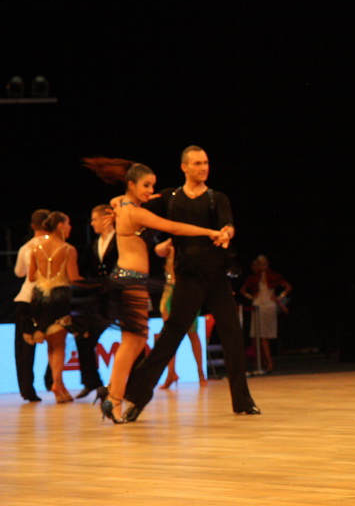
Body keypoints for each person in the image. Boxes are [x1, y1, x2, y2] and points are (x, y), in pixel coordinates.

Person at [120, 146, 259, 420]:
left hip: (216, 273)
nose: (203, 167)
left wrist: (226, 233)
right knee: (172, 332)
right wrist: (118, 204)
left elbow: (228, 225)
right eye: (197, 163)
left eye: (205, 162)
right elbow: (137, 207)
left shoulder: (216, 197)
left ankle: (243, 400)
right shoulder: (170, 197)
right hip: (187, 274)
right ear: (184, 167)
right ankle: (136, 397)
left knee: (232, 333)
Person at [85, 161, 228, 422]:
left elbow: (117, 200)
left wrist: (132, 200)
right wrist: (210, 231)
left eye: (152, 185)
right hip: (130, 281)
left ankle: (112, 392)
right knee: (132, 341)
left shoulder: (121, 205)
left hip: (129, 279)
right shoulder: (134, 213)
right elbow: (174, 227)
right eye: (146, 185)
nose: (150, 191)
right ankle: (113, 399)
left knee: (137, 340)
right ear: (131, 184)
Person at [27, 211, 83, 403]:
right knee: (59, 345)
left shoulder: (36, 248)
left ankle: (60, 385)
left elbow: (31, 277)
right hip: (59, 298)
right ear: (60, 225)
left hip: (40, 299)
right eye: (68, 224)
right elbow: (73, 278)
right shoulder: (68, 249)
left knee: (51, 345)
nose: (69, 227)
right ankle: (57, 383)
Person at [72, 203, 118, 399]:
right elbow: (84, 271)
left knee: (133, 339)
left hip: (118, 297)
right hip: (98, 300)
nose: (92, 223)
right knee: (83, 338)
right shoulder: (94, 244)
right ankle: (92, 382)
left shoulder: (121, 239)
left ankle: (133, 383)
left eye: (95, 219)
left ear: (107, 219)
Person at [155, 238, 208, 387]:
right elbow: (158, 250)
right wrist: (172, 239)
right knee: (168, 334)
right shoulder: (171, 246)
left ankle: (201, 373)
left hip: (188, 291)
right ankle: (171, 373)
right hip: (170, 291)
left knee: (192, 333)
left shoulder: (192, 247)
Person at [12, 209, 50, 402]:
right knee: (57, 342)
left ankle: (27, 389)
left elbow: (19, 273)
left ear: (32, 226)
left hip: (26, 298)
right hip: (49, 298)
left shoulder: (27, 247)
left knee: (24, 350)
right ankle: (53, 382)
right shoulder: (56, 245)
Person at [240, 254, 291, 373]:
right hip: (258, 305)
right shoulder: (253, 278)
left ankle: (267, 361)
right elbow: (242, 291)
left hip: (269, 305)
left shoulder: (273, 276)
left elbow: (288, 287)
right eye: (261, 264)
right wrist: (252, 297)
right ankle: (267, 362)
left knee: (267, 335)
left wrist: (279, 298)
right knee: (260, 336)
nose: (263, 266)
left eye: (265, 264)